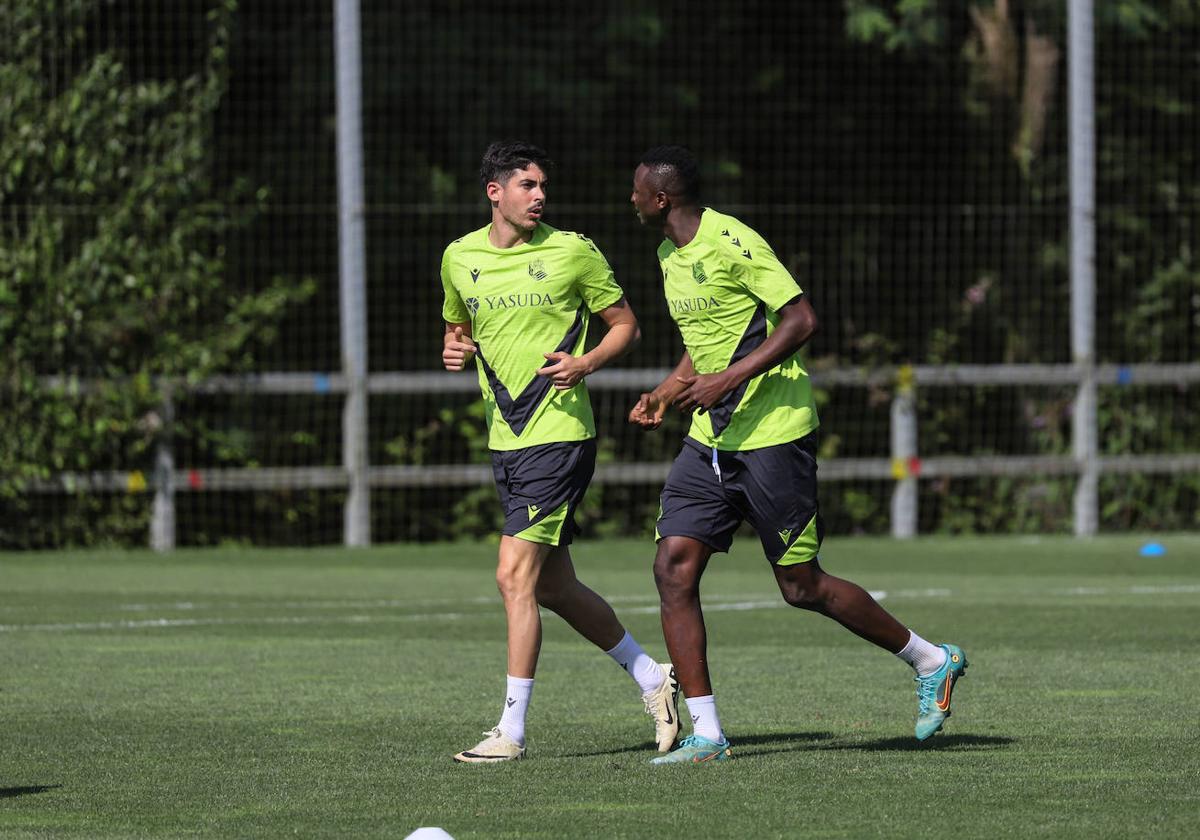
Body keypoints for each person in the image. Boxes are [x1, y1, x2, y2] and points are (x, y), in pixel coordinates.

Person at [627, 145, 968, 764]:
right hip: (712, 438)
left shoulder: (731, 239)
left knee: (801, 586)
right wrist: (667, 390)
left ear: (662, 198)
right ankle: (707, 734)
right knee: (672, 568)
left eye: (636, 191)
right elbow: (709, 343)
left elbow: (801, 319)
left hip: (774, 433)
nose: (630, 199)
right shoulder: (667, 255)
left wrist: (726, 380)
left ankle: (931, 659)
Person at [440, 140, 680, 763]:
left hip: (560, 435)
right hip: (505, 440)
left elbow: (624, 324)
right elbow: (457, 329)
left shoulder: (573, 251)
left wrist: (587, 362)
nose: (539, 194)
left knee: (512, 575)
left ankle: (510, 734)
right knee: (555, 586)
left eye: (543, 184)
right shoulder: (459, 257)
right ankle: (651, 676)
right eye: (527, 184)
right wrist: (454, 349)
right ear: (495, 191)